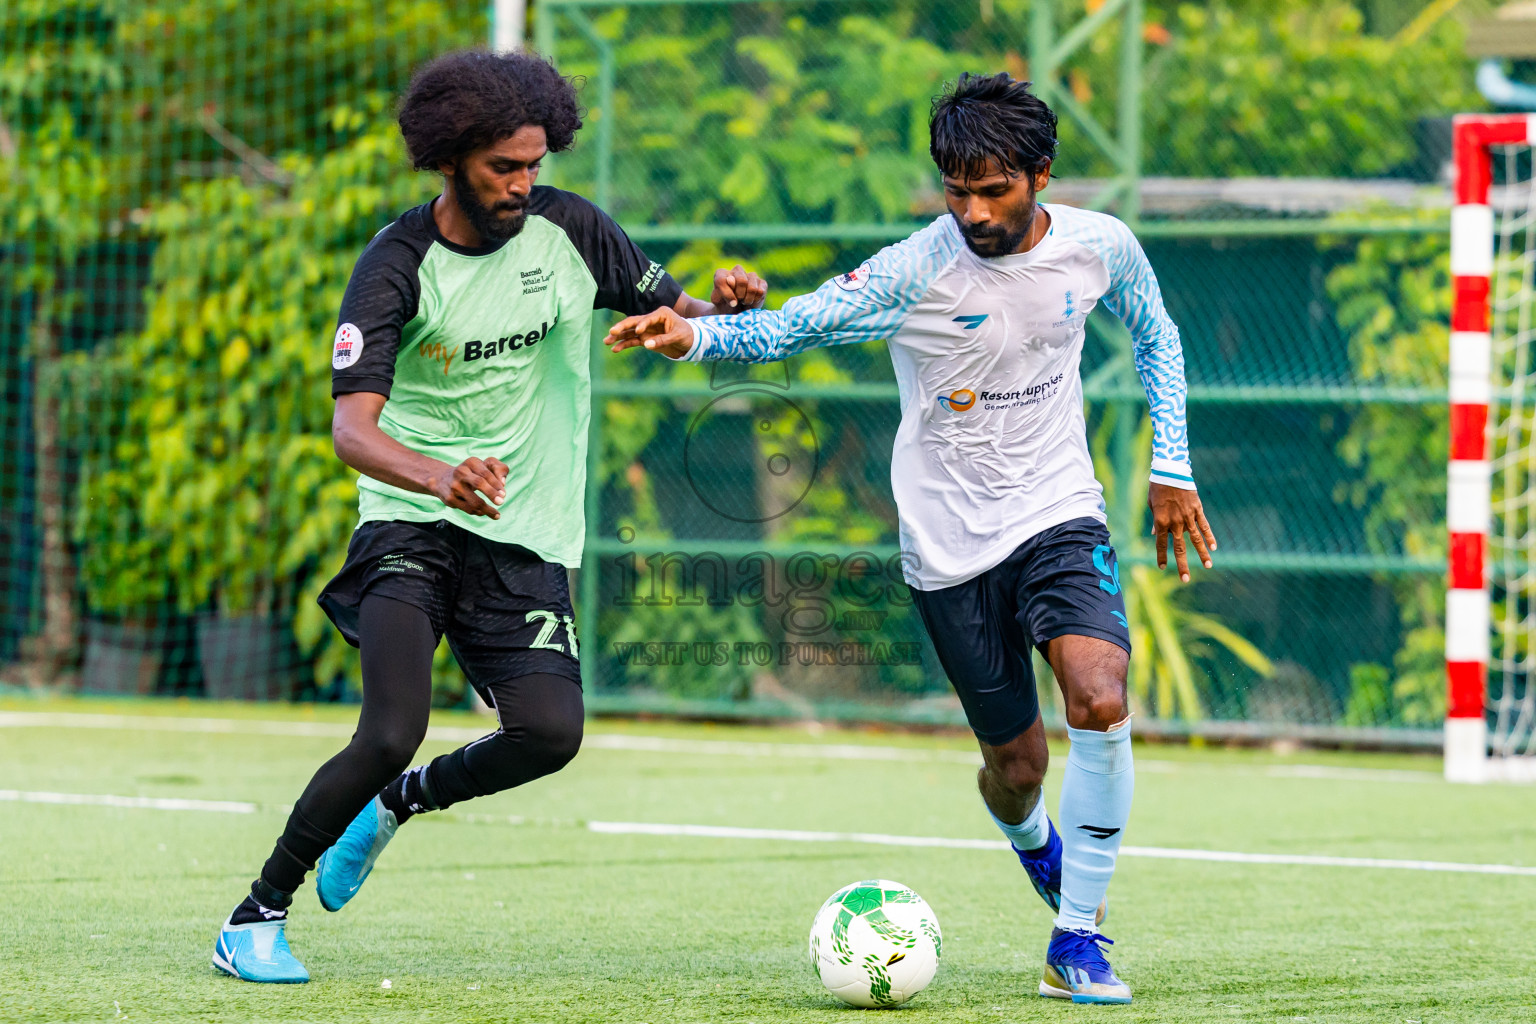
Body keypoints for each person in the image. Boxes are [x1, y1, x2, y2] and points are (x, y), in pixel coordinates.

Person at [606, 71, 1215, 1006]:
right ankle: (1035, 842)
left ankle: (1077, 940)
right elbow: (793, 328)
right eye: (956, 191)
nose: (973, 211)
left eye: (993, 190)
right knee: (1017, 771)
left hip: (1058, 511)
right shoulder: (913, 270)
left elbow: (1158, 334)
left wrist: (1172, 466)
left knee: (1099, 695)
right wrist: (693, 339)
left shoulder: (1102, 246)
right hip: (949, 545)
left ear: (1041, 175)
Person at [212, 49, 766, 984]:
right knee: (390, 727)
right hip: (411, 520)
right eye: (503, 167)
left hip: (524, 529)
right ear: (449, 158)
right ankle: (254, 917)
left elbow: (679, 319)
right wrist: (438, 478)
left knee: (550, 733)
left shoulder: (572, 230)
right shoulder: (395, 265)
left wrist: (723, 310)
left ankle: (398, 805)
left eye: (533, 165)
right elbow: (353, 431)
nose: (521, 184)